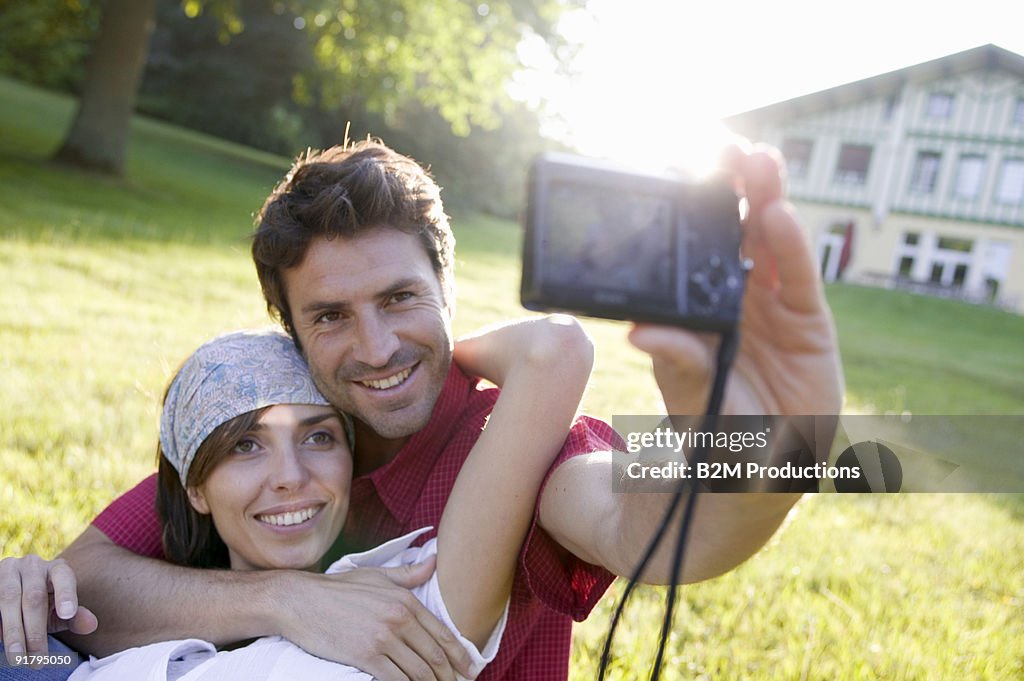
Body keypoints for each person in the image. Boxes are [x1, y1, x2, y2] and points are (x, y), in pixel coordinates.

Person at [1, 140, 843, 681]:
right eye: (330, 316)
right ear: (290, 329)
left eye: (400, 298)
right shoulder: (274, 430)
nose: (374, 348)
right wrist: (282, 597)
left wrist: (774, 454)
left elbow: (641, 522)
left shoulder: (508, 435)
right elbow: (92, 579)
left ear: (447, 288)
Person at [53, 315, 589, 680]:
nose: (290, 476)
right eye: (245, 445)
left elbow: (554, 349)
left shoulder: (406, 603)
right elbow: (50, 634)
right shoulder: (139, 647)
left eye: (318, 437)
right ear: (196, 488)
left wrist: (431, 360)